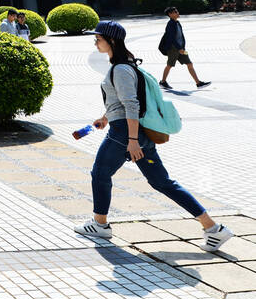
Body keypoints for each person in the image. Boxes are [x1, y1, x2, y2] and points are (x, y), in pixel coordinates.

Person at [76, 20, 232, 250]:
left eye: (98, 38)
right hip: (134, 132)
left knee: (100, 173)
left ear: (111, 40)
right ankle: (213, 228)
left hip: (124, 134)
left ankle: (100, 224)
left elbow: (131, 104)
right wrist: (105, 117)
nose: (95, 42)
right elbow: (124, 102)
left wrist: (131, 141)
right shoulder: (127, 65)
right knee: (162, 182)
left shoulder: (120, 69)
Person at [159, 6, 209, 89]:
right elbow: (171, 39)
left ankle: (198, 83)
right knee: (170, 65)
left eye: (177, 11)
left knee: (189, 63)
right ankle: (163, 82)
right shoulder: (170, 24)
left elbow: (180, 36)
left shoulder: (177, 22)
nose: (177, 13)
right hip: (173, 49)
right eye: (175, 12)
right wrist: (179, 49)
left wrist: (182, 47)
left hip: (181, 48)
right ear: (170, 14)